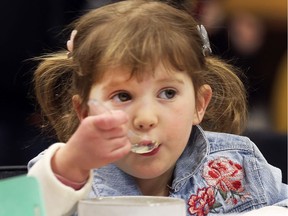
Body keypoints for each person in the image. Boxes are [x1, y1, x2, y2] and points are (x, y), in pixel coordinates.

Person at [27, 1, 288, 215]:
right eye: (123, 96)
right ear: (84, 112)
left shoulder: (238, 164)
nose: (146, 118)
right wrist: (71, 166)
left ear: (199, 104)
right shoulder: (67, 169)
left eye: (168, 93)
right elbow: (19, 208)